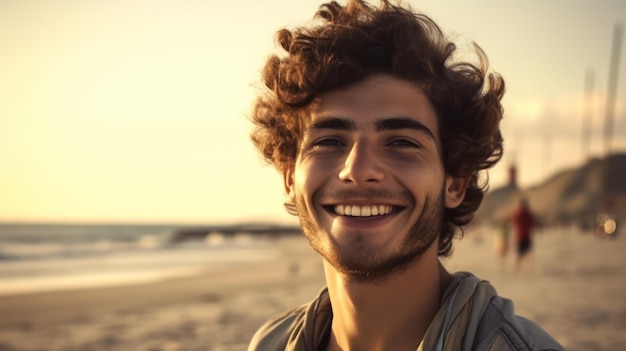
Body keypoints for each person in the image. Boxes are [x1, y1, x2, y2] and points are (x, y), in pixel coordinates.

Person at [247, 1, 564, 350]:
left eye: (400, 142)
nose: (358, 169)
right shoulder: (270, 343)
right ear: (290, 176)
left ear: (455, 181)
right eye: (330, 141)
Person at [511, 195, 536, 270]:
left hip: (520, 236)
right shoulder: (528, 214)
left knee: (520, 256)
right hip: (525, 236)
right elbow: (532, 223)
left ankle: (519, 269)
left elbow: (513, 222)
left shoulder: (517, 213)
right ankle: (524, 269)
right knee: (527, 255)